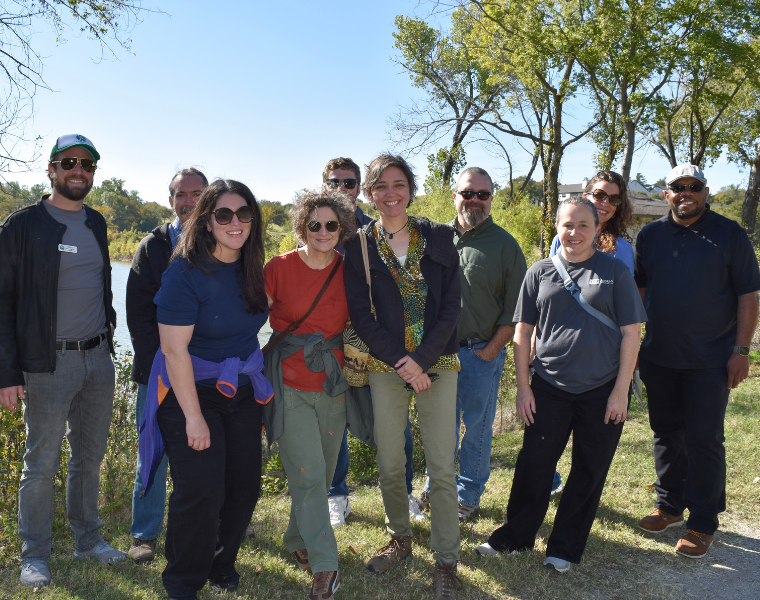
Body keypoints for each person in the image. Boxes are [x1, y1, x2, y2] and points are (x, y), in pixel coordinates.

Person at [477, 197, 646, 573]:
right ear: (557, 227)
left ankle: (564, 548)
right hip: (549, 386)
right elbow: (523, 332)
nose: (575, 232)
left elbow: (631, 334)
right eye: (567, 225)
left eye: (583, 225)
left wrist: (620, 392)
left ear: (598, 228)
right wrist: (524, 388)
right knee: (534, 465)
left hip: (602, 390)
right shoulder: (539, 272)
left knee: (589, 470)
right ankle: (515, 537)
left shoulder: (616, 272)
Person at [0, 134, 124, 587]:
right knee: (41, 464)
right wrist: (8, 372)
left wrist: (109, 326)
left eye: (87, 165)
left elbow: (101, 284)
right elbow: (3, 303)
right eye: (68, 162)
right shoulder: (22, 226)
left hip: (98, 360)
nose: (78, 171)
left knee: (88, 459)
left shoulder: (97, 223)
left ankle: (88, 541)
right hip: (47, 364)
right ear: (51, 169)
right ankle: (33, 555)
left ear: (93, 173)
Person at [344, 154, 461, 600]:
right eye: (381, 186)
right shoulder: (357, 244)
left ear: (410, 189)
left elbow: (452, 305)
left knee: (441, 464)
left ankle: (446, 561)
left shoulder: (439, 236)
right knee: (390, 461)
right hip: (386, 365)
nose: (390, 193)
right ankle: (400, 539)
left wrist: (423, 358)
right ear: (370, 193)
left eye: (398, 184)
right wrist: (402, 362)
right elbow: (361, 315)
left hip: (439, 362)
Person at [151, 179, 271, 599]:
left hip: (239, 390)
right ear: (206, 222)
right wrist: (194, 417)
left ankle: (221, 563)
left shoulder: (252, 267)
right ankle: (183, 581)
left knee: (244, 485)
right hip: (190, 392)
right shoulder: (183, 273)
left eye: (243, 213)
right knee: (201, 487)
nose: (235, 222)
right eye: (224, 214)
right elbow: (173, 351)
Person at [635, 164, 760, 558]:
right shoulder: (650, 235)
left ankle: (703, 521)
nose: (686, 192)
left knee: (705, 439)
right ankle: (670, 506)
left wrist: (742, 351)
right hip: (659, 356)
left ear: (706, 191)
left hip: (711, 360)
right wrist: (634, 346)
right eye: (678, 187)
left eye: (694, 186)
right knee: (665, 432)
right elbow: (638, 290)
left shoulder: (730, 234)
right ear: (665, 194)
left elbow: (748, 297)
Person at [263, 190, 357, 600]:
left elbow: (367, 321)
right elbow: (249, 319)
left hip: (334, 384)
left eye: (331, 225)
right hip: (287, 383)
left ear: (342, 228)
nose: (323, 231)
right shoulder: (277, 268)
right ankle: (325, 566)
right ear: (302, 226)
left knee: (319, 470)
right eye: (314, 224)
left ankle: (294, 539)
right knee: (309, 474)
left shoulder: (349, 269)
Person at [417, 167, 526, 522]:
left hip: (480, 353)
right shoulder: (434, 238)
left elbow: (517, 308)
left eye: (483, 194)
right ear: (455, 196)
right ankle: (437, 487)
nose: (475, 200)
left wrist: (492, 349)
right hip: (437, 353)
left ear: (492, 198)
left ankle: (468, 495)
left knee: (476, 429)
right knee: (439, 427)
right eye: (468, 193)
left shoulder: (506, 246)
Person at [322, 157, 424, 527]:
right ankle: (337, 496)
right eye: (335, 183)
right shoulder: (316, 227)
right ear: (324, 185)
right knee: (333, 422)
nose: (342, 190)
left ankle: (403, 493)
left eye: (349, 183)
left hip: (377, 342)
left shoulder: (375, 230)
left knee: (394, 423)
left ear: (359, 188)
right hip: (330, 341)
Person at [126, 168, 208, 564]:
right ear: (170, 199)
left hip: (209, 371)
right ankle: (144, 533)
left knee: (211, 449)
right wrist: (159, 366)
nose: (189, 201)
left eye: (197, 193)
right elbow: (138, 317)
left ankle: (219, 523)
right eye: (181, 194)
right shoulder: (153, 246)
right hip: (158, 370)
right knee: (152, 453)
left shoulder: (226, 239)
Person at [546, 170, 635, 495]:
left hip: (602, 360)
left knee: (590, 449)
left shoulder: (622, 250)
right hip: (557, 358)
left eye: (613, 198)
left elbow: (627, 315)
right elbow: (551, 291)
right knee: (546, 441)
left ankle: (578, 501)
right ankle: (551, 481)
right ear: (586, 195)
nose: (605, 203)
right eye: (599, 194)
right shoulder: (560, 239)